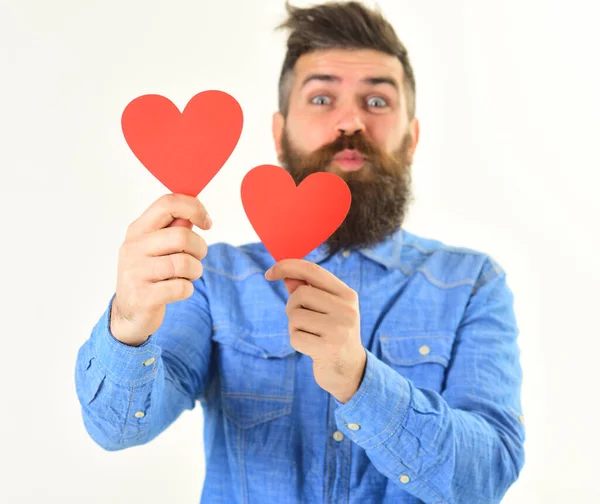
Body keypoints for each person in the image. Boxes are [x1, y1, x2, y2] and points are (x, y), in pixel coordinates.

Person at [74, 1, 525, 502]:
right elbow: (116, 429)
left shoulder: (472, 284)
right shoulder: (210, 277)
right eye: (321, 98)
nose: (351, 120)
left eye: (377, 101)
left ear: (412, 138)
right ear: (278, 132)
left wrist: (359, 379)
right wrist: (129, 324)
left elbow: (485, 478)